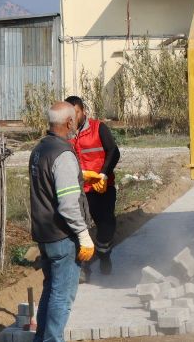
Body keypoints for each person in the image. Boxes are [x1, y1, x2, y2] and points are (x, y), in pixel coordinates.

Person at [29, 101, 94, 342]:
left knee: (51, 291)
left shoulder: (40, 149)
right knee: (62, 297)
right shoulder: (63, 154)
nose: (76, 123)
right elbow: (68, 205)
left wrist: (76, 176)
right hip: (62, 237)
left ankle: (42, 339)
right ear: (68, 122)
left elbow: (48, 186)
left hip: (45, 235)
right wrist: (84, 234)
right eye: (74, 120)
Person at [64, 96, 121, 280]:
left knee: (106, 227)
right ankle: (83, 268)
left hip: (101, 188)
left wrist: (104, 173)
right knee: (79, 229)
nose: (73, 117)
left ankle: (104, 253)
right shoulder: (64, 134)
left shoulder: (98, 128)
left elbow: (114, 151)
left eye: (76, 112)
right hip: (79, 191)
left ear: (83, 112)